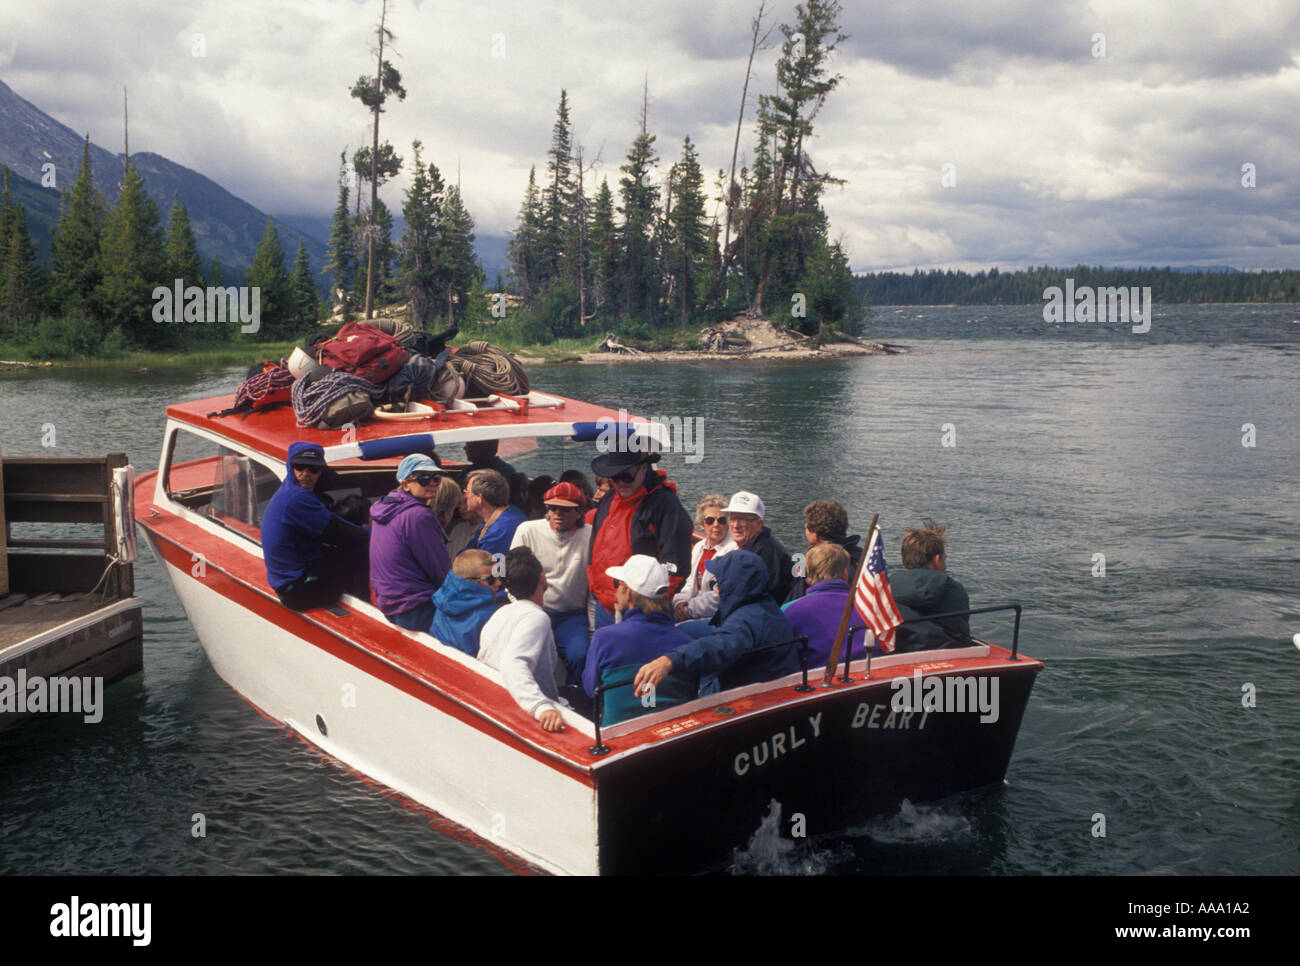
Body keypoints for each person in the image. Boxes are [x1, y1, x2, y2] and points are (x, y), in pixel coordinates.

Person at [632, 550, 801, 697]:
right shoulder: (766, 606)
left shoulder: (744, 620)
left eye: (719, 581)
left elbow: (723, 646)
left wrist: (670, 660)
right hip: (772, 678)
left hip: (758, 695)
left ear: (734, 585)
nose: (716, 588)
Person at [586, 449, 692, 632]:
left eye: (626, 476)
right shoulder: (609, 498)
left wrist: (646, 606)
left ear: (643, 468)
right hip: (603, 605)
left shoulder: (665, 505)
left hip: (642, 614)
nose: (620, 483)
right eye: (614, 477)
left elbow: (676, 566)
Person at [583, 555, 694, 725]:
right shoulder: (686, 643)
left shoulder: (604, 638)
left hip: (618, 738)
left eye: (617, 584)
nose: (616, 591)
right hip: (671, 734)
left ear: (628, 592)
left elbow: (591, 690)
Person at [261, 441, 369, 611]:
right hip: (298, 592)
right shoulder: (297, 499)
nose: (306, 474)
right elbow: (350, 535)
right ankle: (366, 606)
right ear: (291, 466)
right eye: (300, 467)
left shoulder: (288, 489)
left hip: (290, 581)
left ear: (321, 471)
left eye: (314, 469)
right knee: (364, 544)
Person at [478, 547, 567, 733]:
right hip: (531, 713)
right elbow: (513, 663)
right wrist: (541, 707)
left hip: (501, 701)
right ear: (542, 578)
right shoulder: (537, 618)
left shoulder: (500, 614)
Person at [510, 482, 592, 683]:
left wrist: (592, 628)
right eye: (552, 508)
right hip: (532, 610)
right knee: (524, 656)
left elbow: (594, 584)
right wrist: (519, 606)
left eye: (564, 509)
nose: (557, 513)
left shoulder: (590, 535)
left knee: (579, 655)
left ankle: (575, 700)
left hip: (571, 616)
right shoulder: (527, 530)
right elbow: (508, 573)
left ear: (579, 511)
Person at [368, 454, 451, 630]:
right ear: (405, 484)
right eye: (424, 479)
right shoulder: (419, 515)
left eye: (436, 478)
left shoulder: (384, 508)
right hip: (416, 609)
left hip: (388, 603)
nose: (433, 484)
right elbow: (439, 569)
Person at [781, 542, 869, 668]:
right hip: (868, 675)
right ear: (845, 574)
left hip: (814, 681)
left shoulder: (788, 611)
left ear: (808, 573)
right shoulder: (868, 606)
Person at [892, 520, 971, 652]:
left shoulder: (887, 587)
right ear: (936, 559)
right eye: (944, 558)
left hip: (903, 651)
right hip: (954, 653)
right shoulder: (955, 589)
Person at [673, 494, 736, 623]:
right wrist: (680, 602)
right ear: (702, 524)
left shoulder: (733, 551)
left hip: (715, 616)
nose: (716, 525)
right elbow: (689, 584)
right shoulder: (699, 547)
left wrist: (688, 611)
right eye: (710, 520)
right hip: (691, 608)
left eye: (722, 520)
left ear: (728, 523)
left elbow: (719, 597)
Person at [785, 500, 863, 603]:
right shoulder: (860, 561)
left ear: (815, 535)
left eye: (807, 529)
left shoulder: (806, 566)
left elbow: (793, 601)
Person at [724, 491, 795, 605]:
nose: (736, 525)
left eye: (743, 519)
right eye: (732, 518)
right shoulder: (750, 547)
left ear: (759, 524)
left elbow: (758, 599)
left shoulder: (765, 553)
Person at [430, 549, 505, 656]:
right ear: (473, 583)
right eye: (491, 579)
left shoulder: (442, 599)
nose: (499, 582)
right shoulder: (492, 615)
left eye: (499, 575)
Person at [465, 469, 526, 556]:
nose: (465, 496)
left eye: (467, 492)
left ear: (479, 498)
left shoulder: (499, 530)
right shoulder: (496, 521)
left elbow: (491, 568)